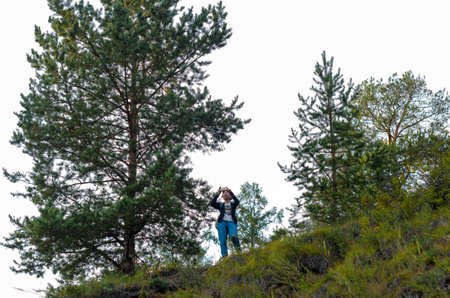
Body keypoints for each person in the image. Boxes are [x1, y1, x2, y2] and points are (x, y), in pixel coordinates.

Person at [210, 186, 241, 258]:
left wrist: (231, 192)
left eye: (227, 193)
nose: (226, 194)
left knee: (233, 236)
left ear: (230, 196)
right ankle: (224, 256)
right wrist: (218, 194)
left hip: (231, 222)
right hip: (222, 223)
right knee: (222, 240)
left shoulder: (233, 204)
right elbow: (212, 203)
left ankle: (239, 252)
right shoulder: (220, 204)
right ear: (222, 196)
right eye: (224, 193)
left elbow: (237, 201)